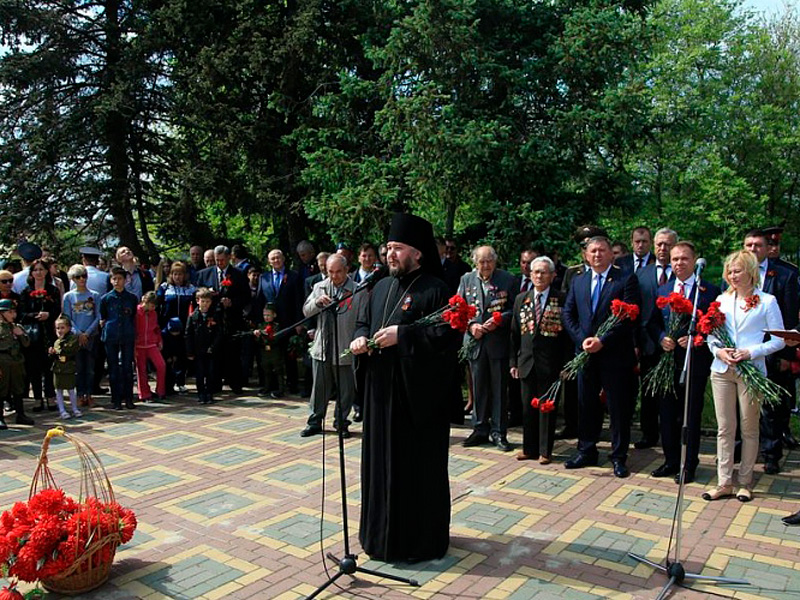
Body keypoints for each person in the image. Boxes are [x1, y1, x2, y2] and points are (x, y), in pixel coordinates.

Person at [350, 212, 460, 563]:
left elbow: (446, 338)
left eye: (397, 248)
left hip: (417, 404)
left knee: (415, 474)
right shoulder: (379, 286)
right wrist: (359, 339)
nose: (389, 254)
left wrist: (404, 336)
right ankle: (379, 537)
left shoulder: (436, 289)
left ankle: (418, 542)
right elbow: (363, 322)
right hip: (381, 398)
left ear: (417, 252)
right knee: (379, 469)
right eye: (387, 248)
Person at [703, 250, 785, 502]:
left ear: (750, 271)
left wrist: (750, 352)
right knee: (725, 428)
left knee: (749, 428)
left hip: (751, 373)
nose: (732, 275)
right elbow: (711, 335)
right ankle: (724, 481)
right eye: (729, 271)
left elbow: (779, 339)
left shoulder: (767, 301)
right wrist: (719, 351)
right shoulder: (721, 299)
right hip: (722, 371)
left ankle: (745, 482)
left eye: (737, 270)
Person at [563, 236, 641, 478]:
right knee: (585, 404)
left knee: (617, 408)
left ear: (611, 254)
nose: (597, 255)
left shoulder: (626, 278)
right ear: (586, 255)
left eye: (602, 251)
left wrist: (602, 341)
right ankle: (586, 449)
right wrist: (582, 340)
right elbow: (568, 313)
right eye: (592, 251)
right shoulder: (579, 281)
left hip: (615, 356)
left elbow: (628, 316)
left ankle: (618, 456)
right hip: (586, 354)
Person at [648, 241, 720, 484]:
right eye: (675, 259)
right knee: (667, 414)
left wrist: (696, 338)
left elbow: (715, 326)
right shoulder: (663, 290)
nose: (679, 263)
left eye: (684, 259)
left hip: (694, 362)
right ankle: (670, 460)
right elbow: (651, 323)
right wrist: (661, 338)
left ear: (694, 260)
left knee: (689, 415)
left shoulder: (708, 291)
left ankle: (688, 464)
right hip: (667, 363)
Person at [742, 229, 798, 475]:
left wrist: (786, 356)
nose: (753, 249)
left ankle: (771, 454)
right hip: (743, 351)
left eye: (757, 245)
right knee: (742, 403)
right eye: (748, 245)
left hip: (774, 350)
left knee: (772, 407)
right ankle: (740, 450)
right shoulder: (735, 272)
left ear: (766, 248)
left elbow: (789, 317)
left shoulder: (785, 275)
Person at [510, 256, 570, 463]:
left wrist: (566, 364)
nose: (539, 276)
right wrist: (513, 362)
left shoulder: (561, 299)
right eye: (535, 272)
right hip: (526, 362)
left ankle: (545, 451)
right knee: (528, 408)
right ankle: (529, 448)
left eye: (544, 272)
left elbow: (567, 338)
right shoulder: (521, 299)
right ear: (530, 274)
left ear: (553, 276)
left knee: (547, 409)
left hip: (551, 364)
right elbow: (514, 334)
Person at [459, 245, 516, 452]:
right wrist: (471, 325)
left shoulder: (507, 279)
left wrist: (499, 320)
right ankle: (479, 428)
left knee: (499, 389)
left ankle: (499, 432)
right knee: (479, 386)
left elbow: (514, 309)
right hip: (475, 342)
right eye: (481, 261)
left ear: (495, 261)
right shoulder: (466, 279)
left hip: (497, 342)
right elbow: (459, 308)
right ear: (475, 262)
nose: (485, 265)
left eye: (489, 261)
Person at [301, 254, 357, 437]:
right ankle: (315, 421)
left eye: (338, 272)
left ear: (347, 269)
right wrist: (317, 303)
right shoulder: (319, 287)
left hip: (344, 348)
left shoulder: (357, 290)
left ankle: (341, 423)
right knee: (319, 389)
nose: (334, 276)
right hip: (322, 348)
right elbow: (306, 311)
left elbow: (363, 318)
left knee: (345, 391)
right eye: (330, 272)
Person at [634, 228, 677, 450]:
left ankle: (672, 433)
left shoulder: (682, 273)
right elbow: (637, 311)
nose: (663, 249)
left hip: (676, 345)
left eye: (667, 245)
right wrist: (637, 343)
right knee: (649, 391)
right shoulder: (642, 274)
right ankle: (649, 433)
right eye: (659, 244)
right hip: (648, 343)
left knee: (672, 393)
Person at [195, 245, 249, 394]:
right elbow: (197, 294)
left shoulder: (238, 274)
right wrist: (207, 295)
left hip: (231, 319)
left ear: (229, 259)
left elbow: (246, 296)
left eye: (222, 260)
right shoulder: (204, 274)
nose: (219, 263)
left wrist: (232, 302)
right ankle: (214, 384)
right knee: (214, 353)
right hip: (212, 320)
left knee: (233, 353)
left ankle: (235, 383)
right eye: (216, 260)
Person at [19, 258, 60, 412]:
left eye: (41, 269)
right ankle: (37, 398)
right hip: (32, 334)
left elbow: (57, 309)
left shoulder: (53, 290)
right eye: (35, 270)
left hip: (49, 332)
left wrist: (49, 314)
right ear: (31, 273)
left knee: (49, 365)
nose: (39, 272)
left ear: (46, 271)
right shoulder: (26, 291)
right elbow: (21, 315)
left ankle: (50, 396)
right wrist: (36, 315)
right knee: (34, 367)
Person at [62, 264, 101, 407]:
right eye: (78, 277)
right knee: (78, 368)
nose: (82, 279)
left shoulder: (95, 295)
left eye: (84, 276)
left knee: (90, 368)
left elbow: (98, 316)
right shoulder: (68, 296)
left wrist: (88, 333)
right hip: (75, 336)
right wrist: (78, 333)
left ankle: (89, 394)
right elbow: (67, 317)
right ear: (73, 279)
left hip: (91, 335)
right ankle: (80, 395)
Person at [100, 267, 138, 410]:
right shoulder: (106, 298)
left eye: (120, 278)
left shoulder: (132, 298)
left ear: (125, 280)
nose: (117, 281)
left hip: (127, 335)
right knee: (113, 368)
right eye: (114, 279)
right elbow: (103, 316)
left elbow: (133, 314)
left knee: (128, 368)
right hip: (111, 335)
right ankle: (116, 399)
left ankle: (128, 398)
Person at [156, 261, 195, 393]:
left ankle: (181, 382)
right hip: (167, 330)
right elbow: (157, 305)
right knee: (167, 356)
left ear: (185, 275)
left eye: (180, 274)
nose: (177, 277)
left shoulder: (191, 289)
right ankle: (168, 384)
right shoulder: (165, 287)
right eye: (175, 274)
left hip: (184, 327)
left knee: (182, 356)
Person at [0, 299, 35, 427]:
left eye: (14, 311)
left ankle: (20, 415)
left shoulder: (17, 326)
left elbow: (26, 344)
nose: (13, 314)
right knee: (1, 389)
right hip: (3, 361)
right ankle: (0, 418)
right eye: (10, 312)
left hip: (16, 361)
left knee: (18, 388)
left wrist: (20, 334)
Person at [186, 287, 222, 404]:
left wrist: (214, 346)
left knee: (211, 372)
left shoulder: (215, 315)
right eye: (203, 301)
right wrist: (190, 351)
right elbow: (188, 334)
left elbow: (218, 333)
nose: (205, 304)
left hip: (211, 350)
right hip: (198, 350)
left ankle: (209, 393)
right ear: (198, 301)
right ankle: (201, 393)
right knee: (200, 373)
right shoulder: (193, 316)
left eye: (207, 301)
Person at [135, 291, 166, 402]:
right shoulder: (136, 312)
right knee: (141, 370)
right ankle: (144, 393)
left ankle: (160, 390)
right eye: (152, 305)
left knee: (161, 365)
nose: (153, 308)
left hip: (151, 343)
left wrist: (159, 340)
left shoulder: (153, 313)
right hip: (139, 345)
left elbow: (156, 328)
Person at [50, 315, 81, 420]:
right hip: (58, 368)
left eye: (62, 327)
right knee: (58, 390)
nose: (60, 330)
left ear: (68, 328)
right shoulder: (57, 341)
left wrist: (56, 351)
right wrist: (51, 353)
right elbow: (56, 353)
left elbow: (68, 350)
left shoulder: (72, 338)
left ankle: (74, 408)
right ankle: (62, 410)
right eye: (57, 328)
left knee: (71, 389)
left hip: (69, 367)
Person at [253, 305, 286, 399]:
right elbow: (258, 341)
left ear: (274, 315)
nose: (266, 317)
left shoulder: (277, 326)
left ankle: (281, 389)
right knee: (266, 370)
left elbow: (276, 338)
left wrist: (266, 335)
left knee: (278, 370)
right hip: (265, 352)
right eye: (264, 315)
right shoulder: (261, 325)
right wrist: (258, 336)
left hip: (275, 351)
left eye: (268, 315)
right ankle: (267, 387)